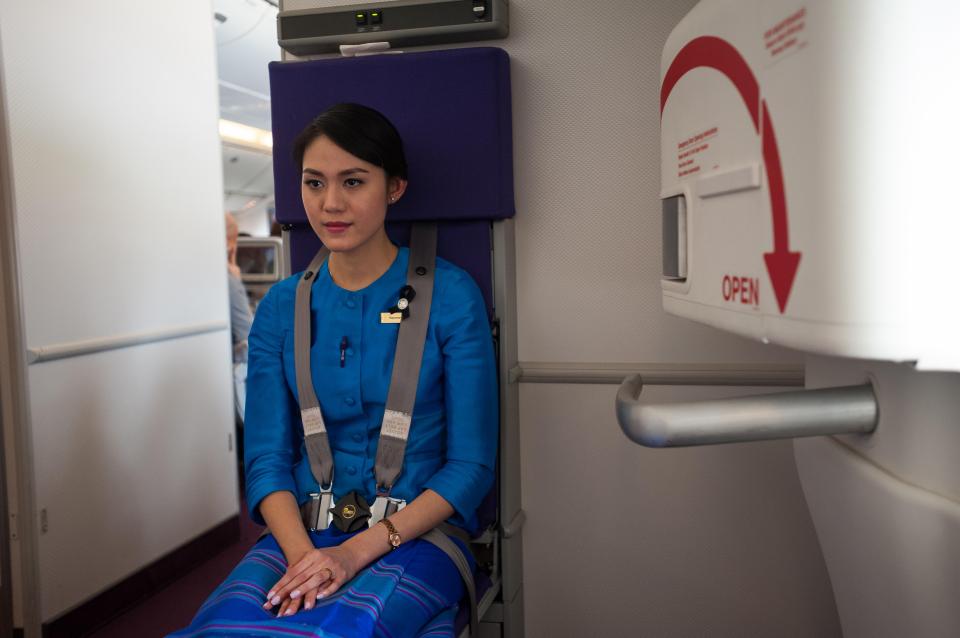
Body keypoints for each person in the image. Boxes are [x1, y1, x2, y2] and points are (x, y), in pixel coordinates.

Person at [170, 103, 497, 637]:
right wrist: (305, 557)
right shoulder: (280, 308)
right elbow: (267, 460)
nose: (331, 204)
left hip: (414, 535)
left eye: (353, 181)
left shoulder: (451, 295)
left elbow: (471, 466)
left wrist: (351, 554)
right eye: (314, 183)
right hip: (297, 535)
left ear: (394, 188)